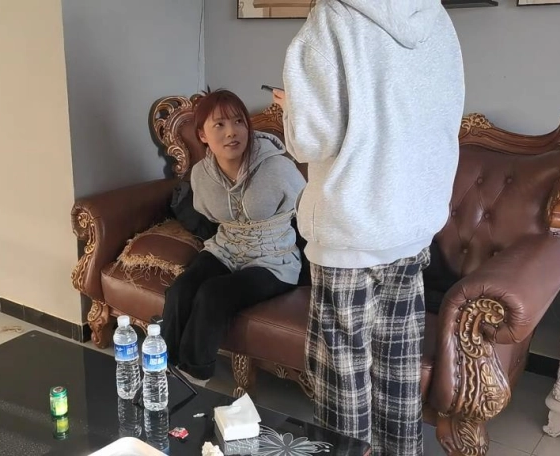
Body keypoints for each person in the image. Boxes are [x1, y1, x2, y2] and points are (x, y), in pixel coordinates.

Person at [272, 1, 465, 455]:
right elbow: (446, 116)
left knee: (342, 383)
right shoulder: (436, 18)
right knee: (398, 374)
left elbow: (312, 139)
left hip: (350, 231)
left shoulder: (333, 18)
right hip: (411, 228)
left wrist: (292, 107)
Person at [162, 89, 306, 386]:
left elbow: (306, 210)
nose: (232, 132)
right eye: (219, 124)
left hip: (273, 258)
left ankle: (194, 377)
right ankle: (163, 369)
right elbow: (209, 216)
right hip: (226, 248)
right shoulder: (201, 174)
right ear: (202, 135)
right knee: (181, 289)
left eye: (239, 121)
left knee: (213, 294)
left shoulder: (278, 167)